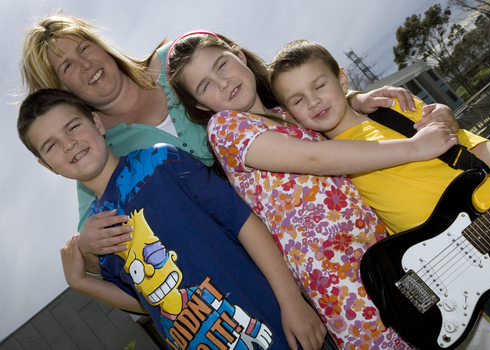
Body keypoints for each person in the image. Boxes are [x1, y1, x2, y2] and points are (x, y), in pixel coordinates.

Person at [21, 12, 430, 271]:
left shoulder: (177, 60)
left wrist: (352, 100)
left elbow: (278, 90)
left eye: (84, 48)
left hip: (342, 202)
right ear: (61, 91)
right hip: (278, 258)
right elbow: (93, 237)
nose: (86, 64)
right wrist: (87, 248)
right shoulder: (97, 147)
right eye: (67, 67)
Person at [166, 31, 461, 349]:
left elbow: (326, 111)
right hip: (339, 278)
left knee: (446, 329)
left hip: (387, 249)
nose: (222, 82)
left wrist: (354, 98)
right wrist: (415, 148)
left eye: (222, 65)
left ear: (238, 55)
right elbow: (314, 157)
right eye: (206, 85)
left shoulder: (286, 114)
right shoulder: (225, 128)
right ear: (200, 104)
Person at [17, 88, 332, 350]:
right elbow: (147, 301)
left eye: (72, 127)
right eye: (51, 145)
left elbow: (243, 221)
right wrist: (80, 282)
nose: (68, 143)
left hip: (277, 328)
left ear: (97, 122)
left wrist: (291, 301)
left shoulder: (160, 160)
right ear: (48, 166)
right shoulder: (99, 230)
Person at [268, 39, 490, 347]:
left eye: (319, 85)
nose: (314, 102)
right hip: (470, 274)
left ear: (342, 79)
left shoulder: (394, 108)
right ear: (290, 115)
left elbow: (468, 145)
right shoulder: (325, 165)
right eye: (297, 99)